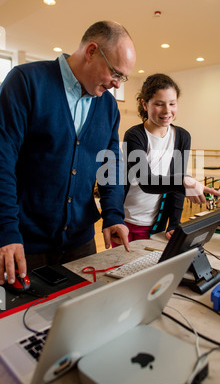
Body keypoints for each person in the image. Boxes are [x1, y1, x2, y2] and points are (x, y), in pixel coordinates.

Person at [0, 20, 136, 286]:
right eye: (116, 74)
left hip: (81, 243)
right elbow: (2, 160)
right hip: (24, 243)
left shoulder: (108, 106)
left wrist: (113, 214)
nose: (118, 85)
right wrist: (6, 230)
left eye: (123, 77)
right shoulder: (26, 81)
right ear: (91, 51)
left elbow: (111, 164)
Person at [111, 73, 220, 247]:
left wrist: (173, 224)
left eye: (172, 103)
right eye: (159, 104)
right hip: (125, 219)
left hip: (155, 223)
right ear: (145, 104)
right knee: (121, 270)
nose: (167, 111)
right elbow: (146, 181)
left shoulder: (182, 136)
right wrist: (185, 181)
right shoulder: (135, 135)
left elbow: (176, 186)